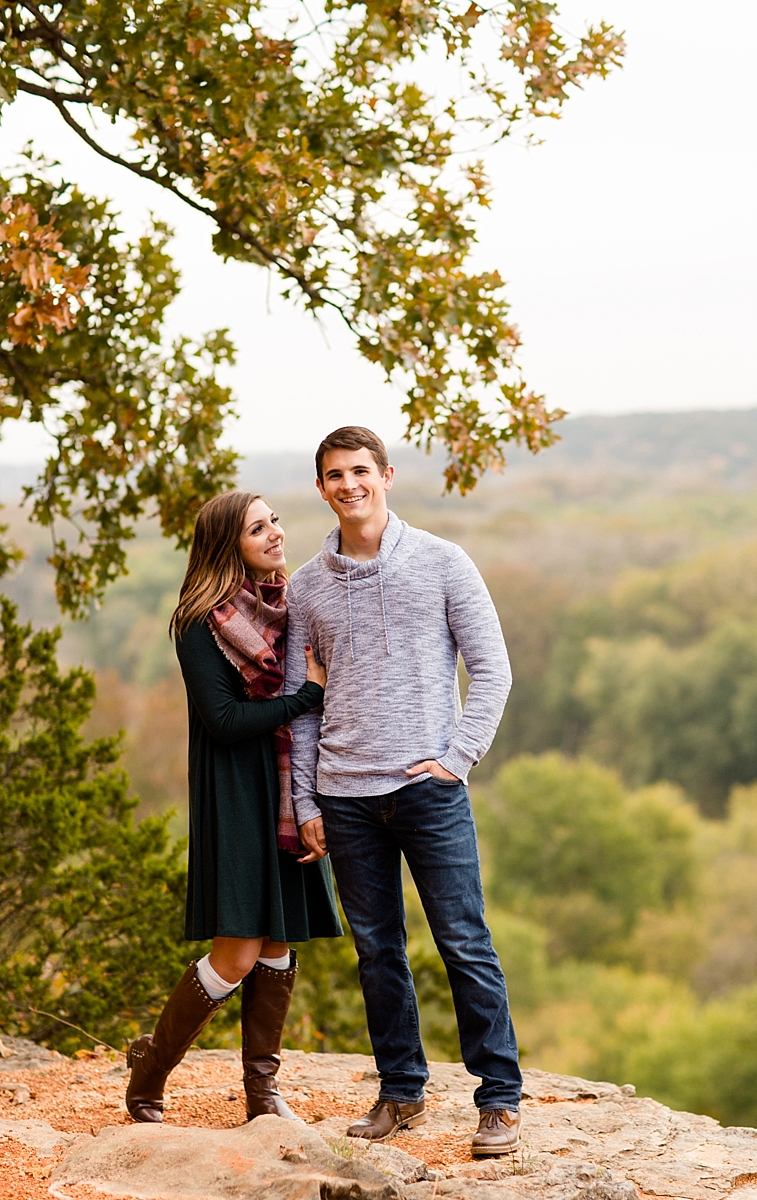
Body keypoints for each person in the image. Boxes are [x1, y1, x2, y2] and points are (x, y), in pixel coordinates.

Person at [285, 427, 523, 1158]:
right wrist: (306, 803)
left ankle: (500, 1101)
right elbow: (299, 707)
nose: (349, 484)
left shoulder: (443, 562)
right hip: (346, 796)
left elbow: (493, 671)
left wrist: (457, 758)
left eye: (361, 470)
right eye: (334, 475)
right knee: (377, 951)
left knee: (464, 942)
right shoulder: (305, 587)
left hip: (428, 790)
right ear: (321, 488)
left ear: (386, 475)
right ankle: (400, 1091)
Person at [125, 490, 342, 1124]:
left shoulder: (286, 607)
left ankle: (262, 1094)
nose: (276, 533)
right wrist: (306, 697)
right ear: (229, 547)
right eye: (257, 528)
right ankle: (150, 1072)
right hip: (236, 794)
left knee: (277, 942)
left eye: (274, 520)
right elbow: (222, 721)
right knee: (237, 953)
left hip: (284, 788)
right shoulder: (199, 623)